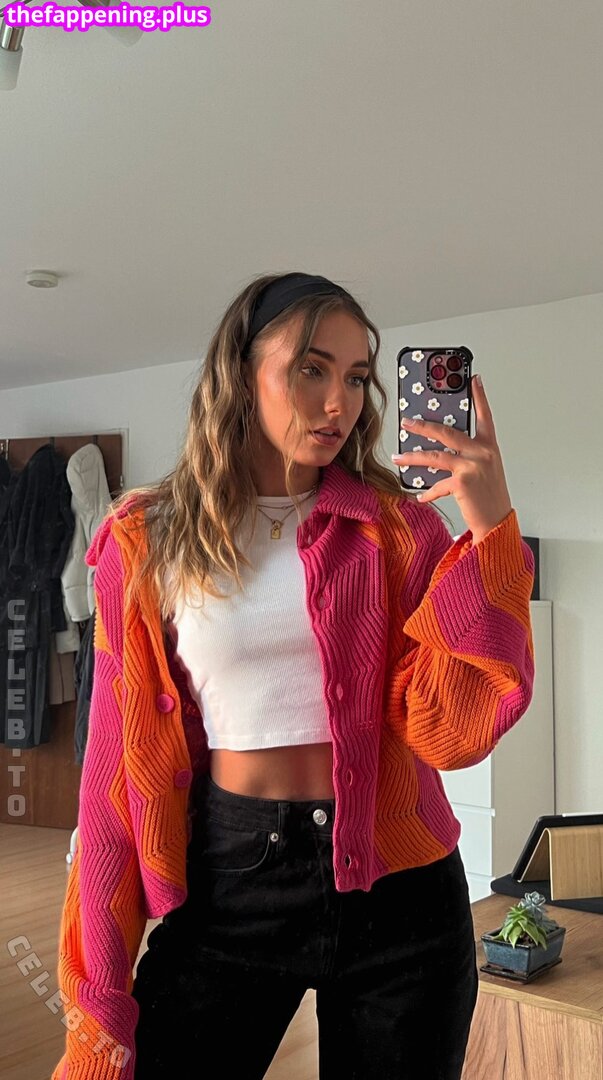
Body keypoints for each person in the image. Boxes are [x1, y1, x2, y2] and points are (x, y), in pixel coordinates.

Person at [52, 271, 535, 1080]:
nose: (337, 402)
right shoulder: (147, 538)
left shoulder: (399, 532)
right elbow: (113, 780)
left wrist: (488, 529)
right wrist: (95, 1014)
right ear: (241, 372)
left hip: (403, 894)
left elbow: (450, 733)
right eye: (311, 369)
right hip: (230, 884)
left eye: (354, 376)